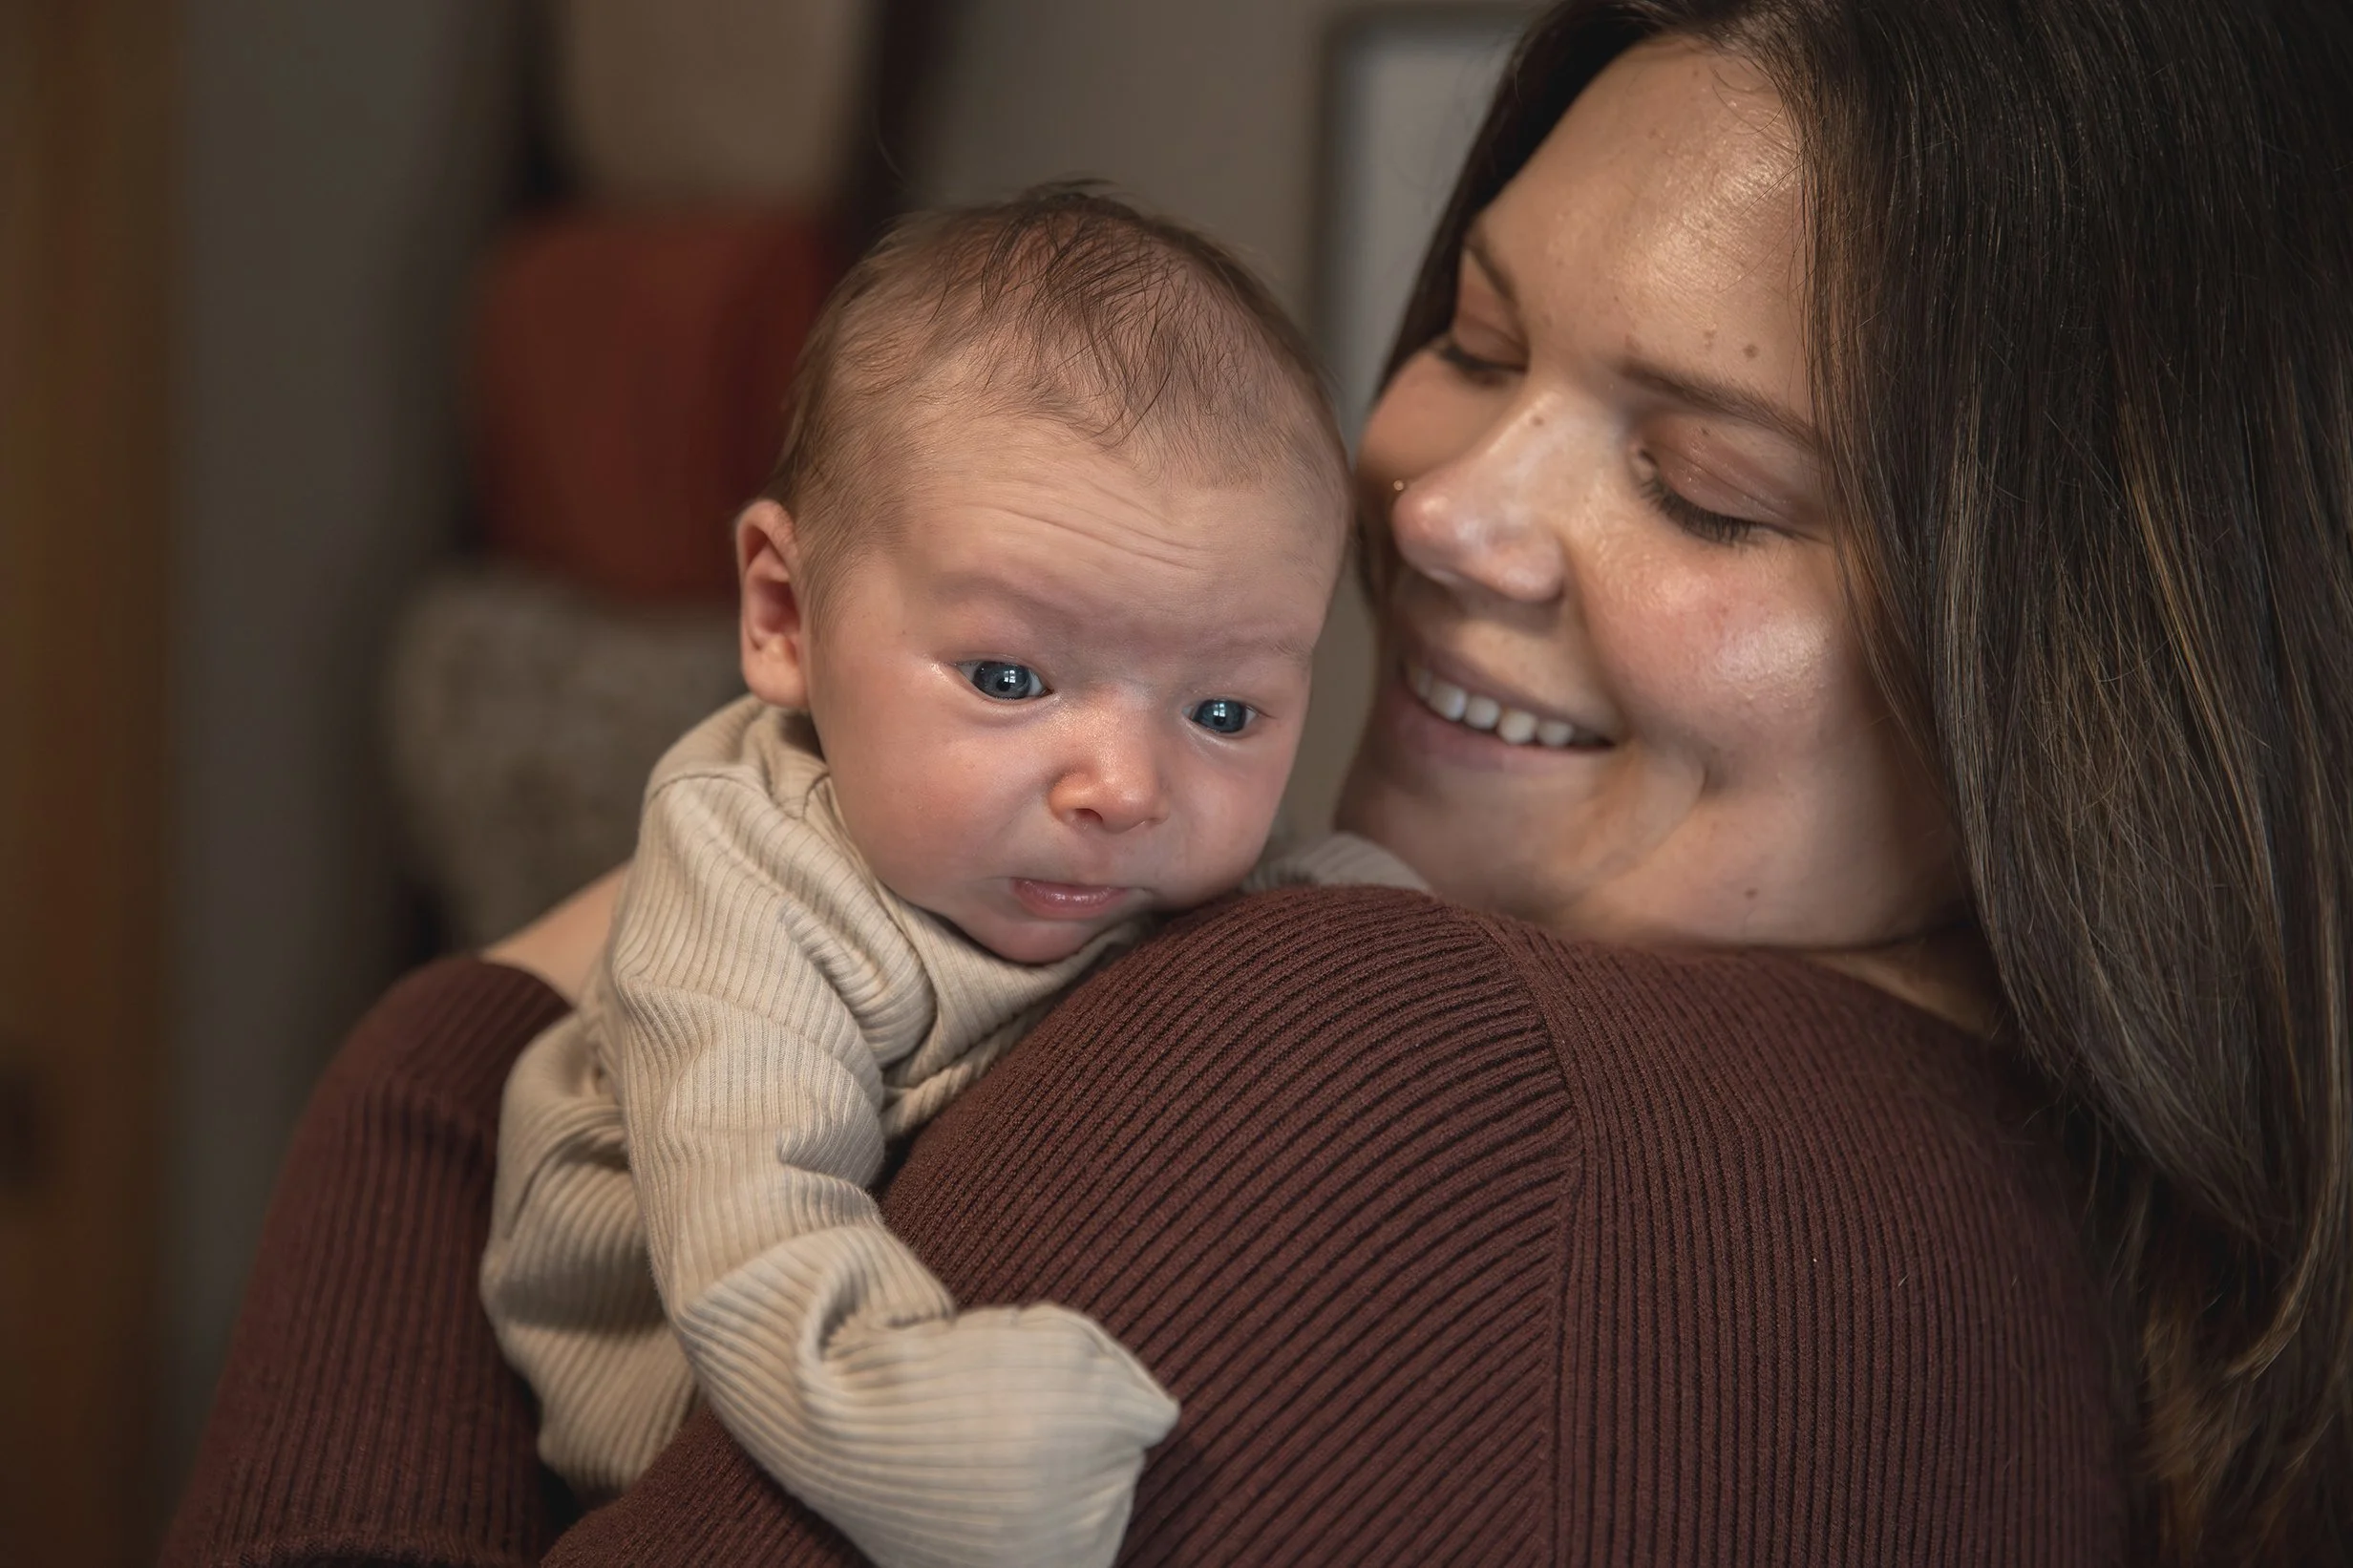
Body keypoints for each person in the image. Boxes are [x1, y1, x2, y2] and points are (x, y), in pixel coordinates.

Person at [163, 1, 2353, 1564]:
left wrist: (440, 1076)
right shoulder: (2086, 1251)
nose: (1437, 513)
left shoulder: (1372, 1066)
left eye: (1706, 488)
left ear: (2075, 693)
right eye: (1475, 342)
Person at [477, 189, 1415, 1568]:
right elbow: (755, 1241)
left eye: (1226, 711)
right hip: (671, 1364)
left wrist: (1408, 938)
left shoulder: (1119, 850)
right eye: (1009, 677)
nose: (1127, 787)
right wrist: (952, 1438)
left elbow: (1313, 914)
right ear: (784, 617)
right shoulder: (753, 879)